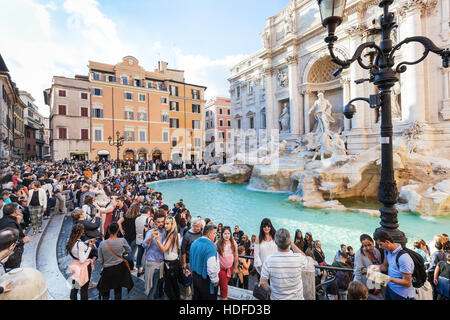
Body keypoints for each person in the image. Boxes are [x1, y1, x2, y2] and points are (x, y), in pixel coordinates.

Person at [259, 228, 309, 300]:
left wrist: (271, 291)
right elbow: (305, 257)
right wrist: (292, 244)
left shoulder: (268, 261)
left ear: (275, 242)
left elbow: (263, 283)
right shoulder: (298, 258)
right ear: (289, 242)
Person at [373, 230, 414, 300]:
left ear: (387, 242)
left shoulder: (403, 258)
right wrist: (373, 268)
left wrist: (389, 279)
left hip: (401, 294)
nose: (379, 247)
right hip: (390, 288)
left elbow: (407, 283)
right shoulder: (387, 251)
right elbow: (384, 267)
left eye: (380, 244)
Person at [97, 222, 133, 300]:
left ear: (109, 231)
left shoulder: (102, 244)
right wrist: (122, 253)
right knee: (118, 290)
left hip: (107, 270)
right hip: (119, 269)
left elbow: (100, 261)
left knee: (106, 292)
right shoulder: (122, 240)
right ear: (117, 231)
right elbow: (129, 250)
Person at [189, 223, 220, 300]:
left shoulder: (195, 242)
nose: (215, 236)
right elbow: (211, 268)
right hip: (206, 280)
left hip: (195, 277)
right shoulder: (211, 246)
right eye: (214, 233)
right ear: (209, 234)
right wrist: (215, 280)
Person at [155, 216, 181, 300]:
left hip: (171, 265)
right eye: (165, 223)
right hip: (171, 263)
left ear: (172, 224)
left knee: (168, 288)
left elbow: (164, 249)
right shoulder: (172, 233)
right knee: (174, 286)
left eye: (167, 224)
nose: (165, 225)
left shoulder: (172, 235)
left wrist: (157, 240)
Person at [66, 224, 95, 300]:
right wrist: (90, 247)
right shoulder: (80, 244)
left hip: (75, 265)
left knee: (75, 288)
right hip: (83, 268)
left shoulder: (69, 241)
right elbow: (82, 260)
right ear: (81, 232)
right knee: (84, 289)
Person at [142, 213, 166, 300]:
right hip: (153, 264)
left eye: (162, 222)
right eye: (159, 222)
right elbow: (144, 244)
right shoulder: (150, 232)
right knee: (151, 288)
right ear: (155, 222)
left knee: (157, 287)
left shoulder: (164, 232)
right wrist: (151, 237)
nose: (161, 224)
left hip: (161, 264)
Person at [353, 234, 383, 300]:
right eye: (365, 246)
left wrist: (378, 285)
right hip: (363, 283)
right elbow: (358, 272)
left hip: (374, 282)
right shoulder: (359, 255)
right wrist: (359, 288)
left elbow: (379, 268)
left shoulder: (377, 252)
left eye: (369, 244)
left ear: (373, 242)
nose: (368, 248)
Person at [0, 203, 30, 269]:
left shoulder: (3, 220)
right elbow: (10, 240)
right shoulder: (10, 223)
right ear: (15, 211)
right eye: (18, 209)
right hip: (11, 255)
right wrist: (22, 240)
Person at [216, 226, 238, 300]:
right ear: (222, 234)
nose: (227, 235)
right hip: (221, 268)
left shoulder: (233, 243)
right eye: (225, 233)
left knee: (223, 284)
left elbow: (236, 256)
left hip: (229, 268)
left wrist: (235, 267)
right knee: (224, 286)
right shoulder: (218, 243)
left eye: (228, 233)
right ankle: (224, 298)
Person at [118, 203, 140, 267]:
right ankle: (130, 266)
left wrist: (121, 230)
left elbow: (118, 222)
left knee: (128, 251)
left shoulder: (126, 216)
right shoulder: (138, 217)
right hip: (134, 237)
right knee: (132, 253)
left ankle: (126, 263)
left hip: (126, 236)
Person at [135, 206, 153, 277]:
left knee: (139, 254)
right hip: (146, 239)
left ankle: (138, 269)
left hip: (138, 238)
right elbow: (151, 230)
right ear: (148, 212)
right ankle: (145, 270)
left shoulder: (137, 218)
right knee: (147, 255)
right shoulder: (149, 219)